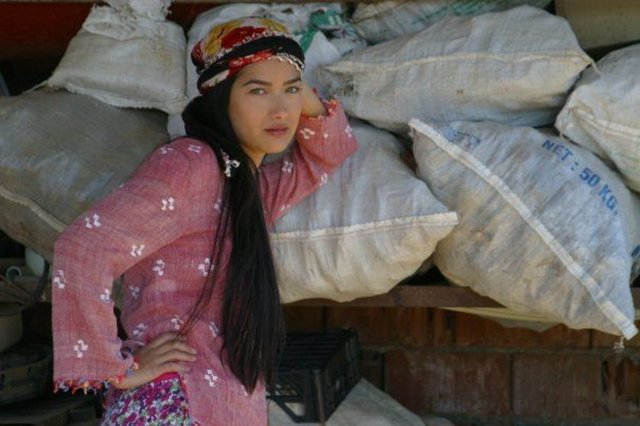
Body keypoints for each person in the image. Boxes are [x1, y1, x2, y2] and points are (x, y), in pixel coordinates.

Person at [51, 17, 358, 425]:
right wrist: (116, 369)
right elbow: (83, 247)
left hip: (215, 401)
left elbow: (328, 154)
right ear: (221, 98)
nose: (281, 110)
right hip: (176, 402)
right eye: (258, 90)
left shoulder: (247, 186)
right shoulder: (191, 166)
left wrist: (299, 91)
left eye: (291, 91)